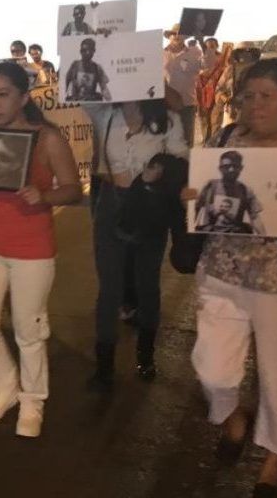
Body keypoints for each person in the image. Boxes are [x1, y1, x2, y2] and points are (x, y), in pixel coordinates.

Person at [186, 58, 277, 496]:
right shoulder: (225, 140)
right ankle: (233, 419)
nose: (255, 105)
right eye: (248, 96)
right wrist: (192, 196)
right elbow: (203, 198)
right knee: (213, 369)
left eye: (267, 96)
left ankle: (275, 459)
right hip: (221, 274)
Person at [0, 61, 82, 438]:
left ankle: (33, 400)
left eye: (3, 95)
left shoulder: (46, 138)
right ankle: (5, 383)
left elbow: (73, 188)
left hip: (33, 248)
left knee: (28, 329)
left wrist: (45, 196)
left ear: (23, 98)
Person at [85, 99, 187, 391]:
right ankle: (104, 366)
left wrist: (161, 170)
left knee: (147, 283)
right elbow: (79, 87)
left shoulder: (167, 118)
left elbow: (182, 158)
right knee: (109, 288)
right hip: (111, 203)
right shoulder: (105, 113)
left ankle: (145, 356)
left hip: (150, 205)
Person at [193, 150, 265, 235]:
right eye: (226, 166)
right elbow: (196, 208)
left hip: (235, 235)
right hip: (211, 234)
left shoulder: (245, 190)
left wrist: (264, 236)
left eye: (235, 166)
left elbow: (255, 217)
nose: (231, 170)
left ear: (241, 168)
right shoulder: (210, 186)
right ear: (220, 168)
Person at [163, 23, 203, 145]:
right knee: (166, 141)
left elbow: (206, 67)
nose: (176, 36)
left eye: (180, 34)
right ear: (169, 36)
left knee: (186, 142)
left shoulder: (194, 53)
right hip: (166, 104)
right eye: (173, 34)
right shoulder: (160, 54)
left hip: (187, 104)